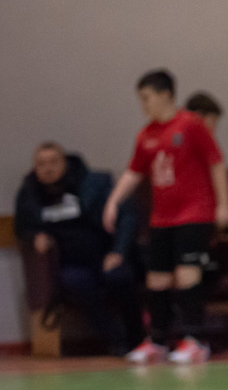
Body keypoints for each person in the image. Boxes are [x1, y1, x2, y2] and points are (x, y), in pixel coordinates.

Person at [103, 69, 228, 364]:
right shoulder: (146, 134)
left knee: (187, 274)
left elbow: (216, 162)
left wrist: (223, 204)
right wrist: (113, 201)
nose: (143, 105)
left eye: (147, 98)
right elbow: (134, 171)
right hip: (162, 218)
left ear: (165, 95)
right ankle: (158, 341)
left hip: (194, 214)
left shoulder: (191, 125)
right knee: (157, 279)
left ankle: (194, 340)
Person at [15, 143, 144, 355]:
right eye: (41, 164)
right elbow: (23, 226)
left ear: (65, 163)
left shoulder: (92, 183)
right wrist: (35, 235)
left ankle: (138, 338)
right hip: (72, 264)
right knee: (75, 283)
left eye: (53, 162)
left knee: (119, 276)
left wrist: (118, 252)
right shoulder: (30, 194)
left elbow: (127, 216)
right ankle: (116, 340)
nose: (48, 169)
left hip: (104, 253)